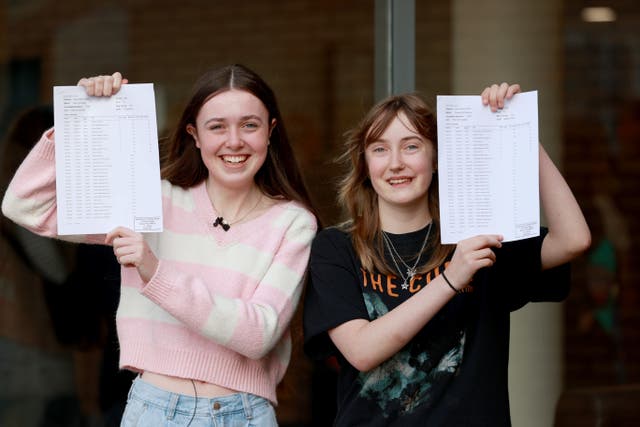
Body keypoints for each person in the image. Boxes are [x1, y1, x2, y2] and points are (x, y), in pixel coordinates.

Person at [2, 65, 319, 426]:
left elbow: (257, 334)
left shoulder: (293, 222)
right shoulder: (152, 201)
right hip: (154, 411)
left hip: (243, 414)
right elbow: (25, 205)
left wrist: (156, 272)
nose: (234, 141)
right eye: (216, 126)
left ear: (271, 132)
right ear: (194, 135)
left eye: (250, 125)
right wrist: (81, 119)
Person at [303, 83, 591, 426]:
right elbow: (362, 351)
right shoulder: (336, 248)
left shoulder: (477, 238)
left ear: (437, 158)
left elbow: (573, 239)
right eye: (380, 149)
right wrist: (451, 278)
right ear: (365, 165)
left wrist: (519, 130)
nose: (395, 163)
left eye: (411, 146)